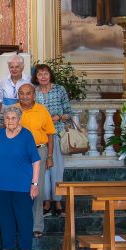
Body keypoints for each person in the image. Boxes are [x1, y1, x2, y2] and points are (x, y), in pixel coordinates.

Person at [0, 106, 40, 250]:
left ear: (19, 119)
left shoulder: (26, 135)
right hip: (2, 184)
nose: (10, 121)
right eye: (7, 118)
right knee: (5, 217)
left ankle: (26, 249)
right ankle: (8, 247)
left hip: (22, 185)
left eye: (13, 118)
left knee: (24, 217)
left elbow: (36, 161)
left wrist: (34, 183)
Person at [33, 63, 73, 217]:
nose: (43, 77)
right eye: (40, 74)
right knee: (43, 172)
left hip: (56, 133)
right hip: (40, 137)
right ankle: (46, 203)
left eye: (45, 74)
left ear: (50, 75)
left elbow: (69, 112)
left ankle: (58, 202)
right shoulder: (34, 92)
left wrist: (58, 117)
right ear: (36, 77)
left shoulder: (59, 89)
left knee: (56, 170)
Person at [17, 84, 56, 238]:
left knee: (36, 189)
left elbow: (50, 134)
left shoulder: (42, 110)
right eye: (21, 93)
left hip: (39, 151)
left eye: (28, 93)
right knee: (20, 190)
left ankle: (37, 226)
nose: (24, 96)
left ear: (34, 95)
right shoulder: (13, 110)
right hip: (19, 154)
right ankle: (21, 225)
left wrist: (50, 156)